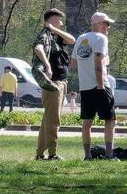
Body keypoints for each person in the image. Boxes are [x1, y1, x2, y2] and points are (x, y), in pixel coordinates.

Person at [72, 11, 116, 160]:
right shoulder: (101, 38)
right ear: (100, 24)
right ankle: (109, 154)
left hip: (84, 86)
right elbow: (98, 61)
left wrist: (86, 70)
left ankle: (87, 156)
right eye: (107, 24)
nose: (108, 27)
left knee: (87, 122)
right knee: (110, 120)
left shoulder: (80, 38)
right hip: (100, 85)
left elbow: (73, 63)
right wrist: (100, 84)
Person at [32, 9, 74, 160]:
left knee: (47, 120)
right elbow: (38, 48)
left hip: (61, 82)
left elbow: (72, 40)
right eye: (59, 21)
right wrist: (47, 66)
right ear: (51, 20)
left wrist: (54, 29)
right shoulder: (45, 36)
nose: (62, 24)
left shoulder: (56, 36)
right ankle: (52, 153)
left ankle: (39, 154)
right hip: (53, 83)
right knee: (53, 120)